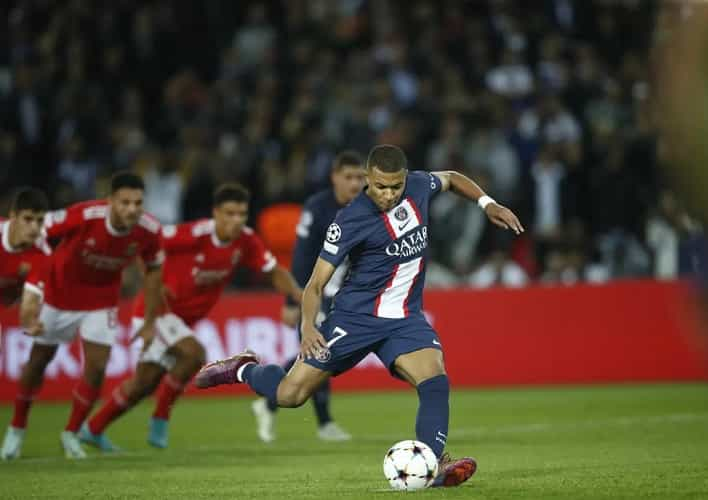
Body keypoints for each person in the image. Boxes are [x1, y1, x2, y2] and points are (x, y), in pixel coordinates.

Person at [194, 144, 524, 487]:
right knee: (290, 396)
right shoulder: (350, 220)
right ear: (368, 179)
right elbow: (315, 284)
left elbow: (453, 179)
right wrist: (308, 326)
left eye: (396, 186)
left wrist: (488, 203)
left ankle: (432, 463)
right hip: (355, 319)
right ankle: (244, 368)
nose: (389, 194)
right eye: (381, 186)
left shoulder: (418, 185)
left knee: (435, 381)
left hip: (405, 319)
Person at [80, 183, 302, 451]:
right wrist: (151, 279)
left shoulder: (246, 241)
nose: (236, 221)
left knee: (144, 383)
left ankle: (93, 429)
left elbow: (274, 271)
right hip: (158, 312)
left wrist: (300, 296)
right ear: (216, 213)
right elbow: (149, 245)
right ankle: (161, 419)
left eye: (242, 214)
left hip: (181, 321)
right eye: (230, 213)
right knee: (194, 353)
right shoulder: (192, 235)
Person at [1, 172, 164, 460]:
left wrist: (149, 321)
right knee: (38, 361)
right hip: (58, 294)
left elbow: (153, 269)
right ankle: (17, 428)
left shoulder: (149, 229)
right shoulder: (85, 215)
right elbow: (40, 232)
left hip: (101, 302)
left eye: (137, 203)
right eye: (124, 202)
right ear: (111, 200)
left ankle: (71, 434)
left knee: (97, 368)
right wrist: (26, 283)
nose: (132, 209)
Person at [252, 150, 365, 443]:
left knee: (322, 352)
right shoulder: (317, 208)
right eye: (349, 177)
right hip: (317, 292)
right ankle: (322, 422)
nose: (355, 183)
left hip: (347, 294)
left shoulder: (368, 206)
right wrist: (293, 301)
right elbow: (302, 258)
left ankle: (268, 402)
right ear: (335, 178)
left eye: (360, 177)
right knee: (319, 350)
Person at [0, 188, 50, 308]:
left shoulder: (43, 253)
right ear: (13, 216)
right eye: (28, 219)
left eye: (40, 221)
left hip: (12, 315)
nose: (34, 227)